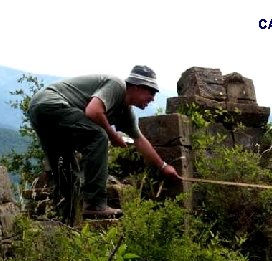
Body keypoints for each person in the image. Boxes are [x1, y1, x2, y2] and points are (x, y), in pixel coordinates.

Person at [28, 65, 182, 218]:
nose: (153, 98)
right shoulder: (117, 86)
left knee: (65, 168)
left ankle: (63, 218)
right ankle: (95, 203)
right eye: (151, 92)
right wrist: (113, 135)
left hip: (39, 108)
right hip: (52, 104)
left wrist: (163, 166)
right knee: (98, 136)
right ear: (136, 87)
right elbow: (93, 111)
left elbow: (140, 141)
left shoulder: (126, 113)